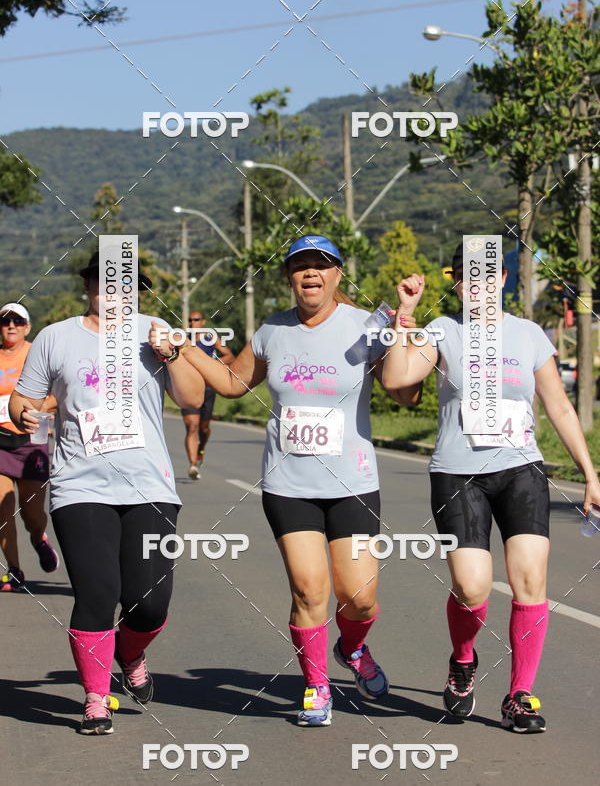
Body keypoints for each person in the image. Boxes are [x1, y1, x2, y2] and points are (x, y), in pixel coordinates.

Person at [166, 234, 421, 727]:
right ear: (289, 277)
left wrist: (402, 324)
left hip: (351, 481)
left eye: (320, 265)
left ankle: (353, 647)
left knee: (360, 596)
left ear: (337, 275)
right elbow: (233, 384)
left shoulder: (366, 327)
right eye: (300, 266)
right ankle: (316, 686)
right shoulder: (271, 331)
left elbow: (404, 395)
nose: (310, 273)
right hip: (289, 485)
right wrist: (186, 348)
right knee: (309, 591)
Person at [381, 243, 600, 734]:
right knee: (472, 586)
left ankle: (520, 695)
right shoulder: (442, 330)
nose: (475, 286)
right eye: (464, 277)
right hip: (458, 474)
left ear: (501, 278)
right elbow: (396, 378)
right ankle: (463, 659)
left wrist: (590, 474)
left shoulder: (529, 334)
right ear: (455, 282)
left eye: (484, 276)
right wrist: (406, 315)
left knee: (530, 580)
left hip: (523, 470)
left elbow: (559, 408)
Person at [10, 251, 204, 735]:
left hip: (149, 486)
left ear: (137, 290)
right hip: (80, 485)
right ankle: (97, 697)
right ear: (88, 285)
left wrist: (172, 354)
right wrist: (24, 414)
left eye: (123, 284)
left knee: (149, 603)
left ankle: (131, 652)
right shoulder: (56, 337)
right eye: (102, 281)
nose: (111, 291)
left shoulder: (156, 331)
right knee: (98, 592)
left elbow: (193, 398)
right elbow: (22, 399)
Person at [0, 302, 59, 592]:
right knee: (2, 506)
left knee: (32, 514)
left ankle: (38, 538)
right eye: (5, 321)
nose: (11, 326)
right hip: (0, 441)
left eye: (18, 321)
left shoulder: (37, 352)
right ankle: (14, 570)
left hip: (32, 441)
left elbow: (61, 390)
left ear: (27, 326)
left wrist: (37, 409)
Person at [182, 310, 234, 479]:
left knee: (203, 428)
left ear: (203, 322)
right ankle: (192, 465)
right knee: (192, 426)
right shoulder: (182, 339)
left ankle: (201, 448)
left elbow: (229, 356)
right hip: (188, 388)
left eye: (196, 320)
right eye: (190, 320)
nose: (192, 323)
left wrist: (209, 364)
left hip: (208, 389)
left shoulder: (210, 338)